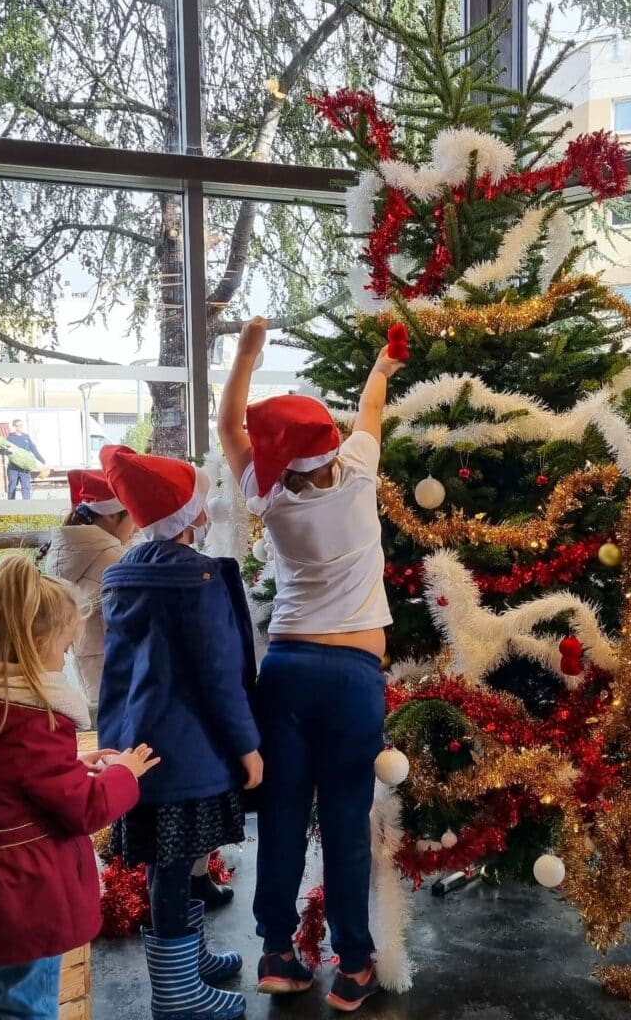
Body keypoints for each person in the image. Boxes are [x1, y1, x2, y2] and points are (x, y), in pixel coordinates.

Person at [218, 317, 402, 1012]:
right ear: (330, 445)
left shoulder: (269, 499)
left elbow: (229, 428)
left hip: (287, 672)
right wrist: (381, 368)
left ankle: (276, 951)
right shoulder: (356, 476)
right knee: (347, 820)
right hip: (352, 680)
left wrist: (244, 357)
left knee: (287, 817)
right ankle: (353, 964)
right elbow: (372, 410)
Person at [0, 553, 159, 1020]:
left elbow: (1, 783)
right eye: (65, 646)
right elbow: (84, 809)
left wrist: (70, 764)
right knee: (26, 1008)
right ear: (35, 643)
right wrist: (123, 773)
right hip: (18, 898)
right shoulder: (31, 723)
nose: (66, 657)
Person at [98, 444, 262, 1020]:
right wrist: (247, 744)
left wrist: (111, 745)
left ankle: (187, 961)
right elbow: (221, 675)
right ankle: (176, 993)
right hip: (190, 752)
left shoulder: (123, 575)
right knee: (174, 864)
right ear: (191, 517)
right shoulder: (198, 580)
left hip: (139, 747)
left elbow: (114, 673)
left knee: (172, 858)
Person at [42, 469, 135, 701]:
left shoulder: (63, 553)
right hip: (123, 678)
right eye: (132, 514)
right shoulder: (114, 560)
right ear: (112, 515)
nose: (137, 526)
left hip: (89, 673)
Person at [4, 418, 46, 500]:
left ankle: (27, 506)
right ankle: (11, 505)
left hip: (25, 468)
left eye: (21, 425)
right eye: (18, 425)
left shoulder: (26, 437)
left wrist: (42, 460)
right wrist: (7, 451)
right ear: (14, 426)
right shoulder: (10, 438)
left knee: (26, 487)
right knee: (12, 486)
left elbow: (34, 449)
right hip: (13, 468)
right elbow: (2, 450)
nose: (20, 427)